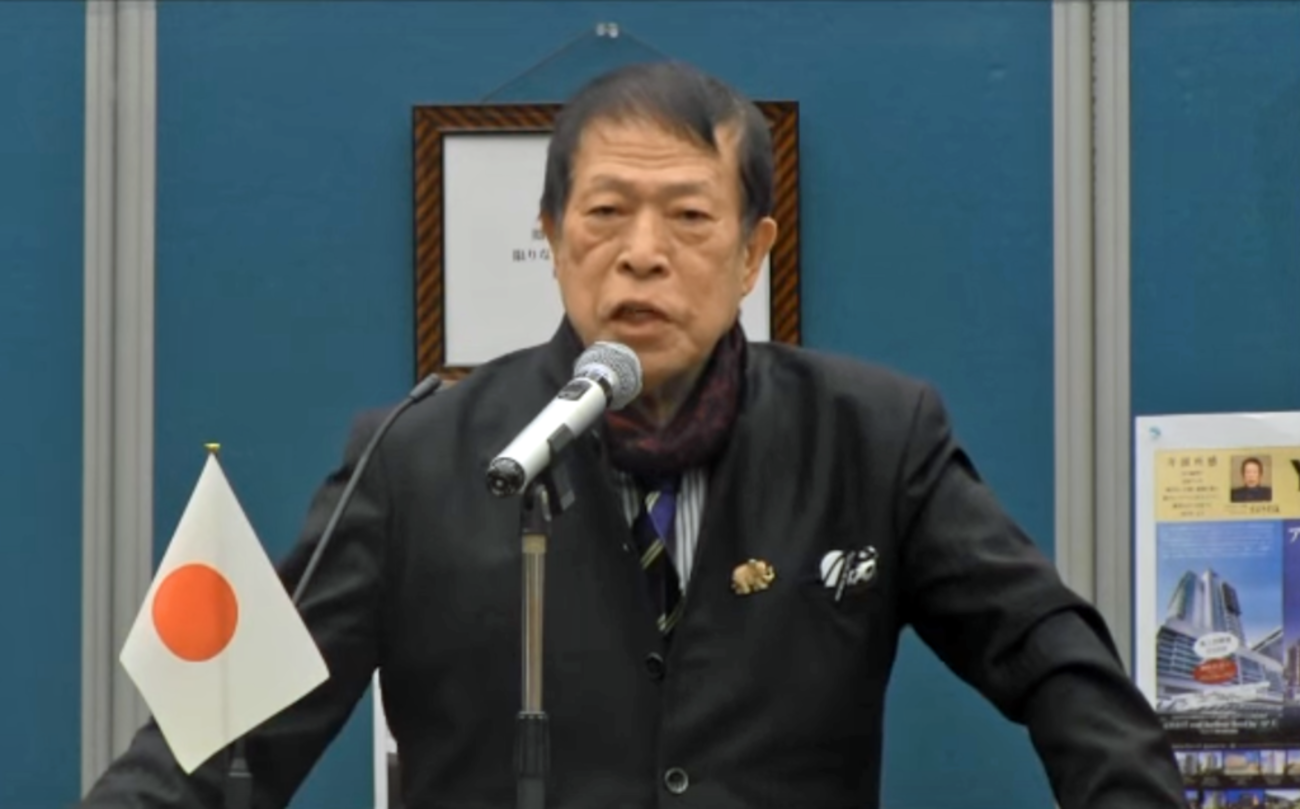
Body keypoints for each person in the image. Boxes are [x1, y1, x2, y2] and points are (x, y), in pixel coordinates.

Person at [81, 61, 1187, 808]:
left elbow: (1056, 661)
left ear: (751, 253)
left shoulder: (873, 438)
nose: (644, 252)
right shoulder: (413, 460)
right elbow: (217, 742)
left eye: (690, 217)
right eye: (606, 213)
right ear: (554, 237)